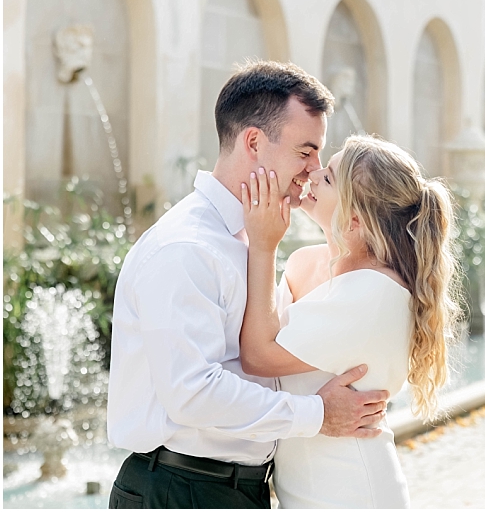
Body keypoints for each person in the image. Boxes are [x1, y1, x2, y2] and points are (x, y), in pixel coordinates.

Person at [106, 61, 390, 509]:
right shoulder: (185, 248)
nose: (313, 170)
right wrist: (317, 414)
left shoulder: (254, 237)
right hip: (181, 490)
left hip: (239, 490)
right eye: (305, 152)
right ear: (254, 142)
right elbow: (193, 393)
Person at [239, 134, 462, 508]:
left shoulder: (374, 292)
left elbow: (259, 357)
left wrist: (263, 245)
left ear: (355, 219)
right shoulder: (303, 262)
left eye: (328, 178)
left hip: (351, 491)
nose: (313, 171)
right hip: (301, 490)